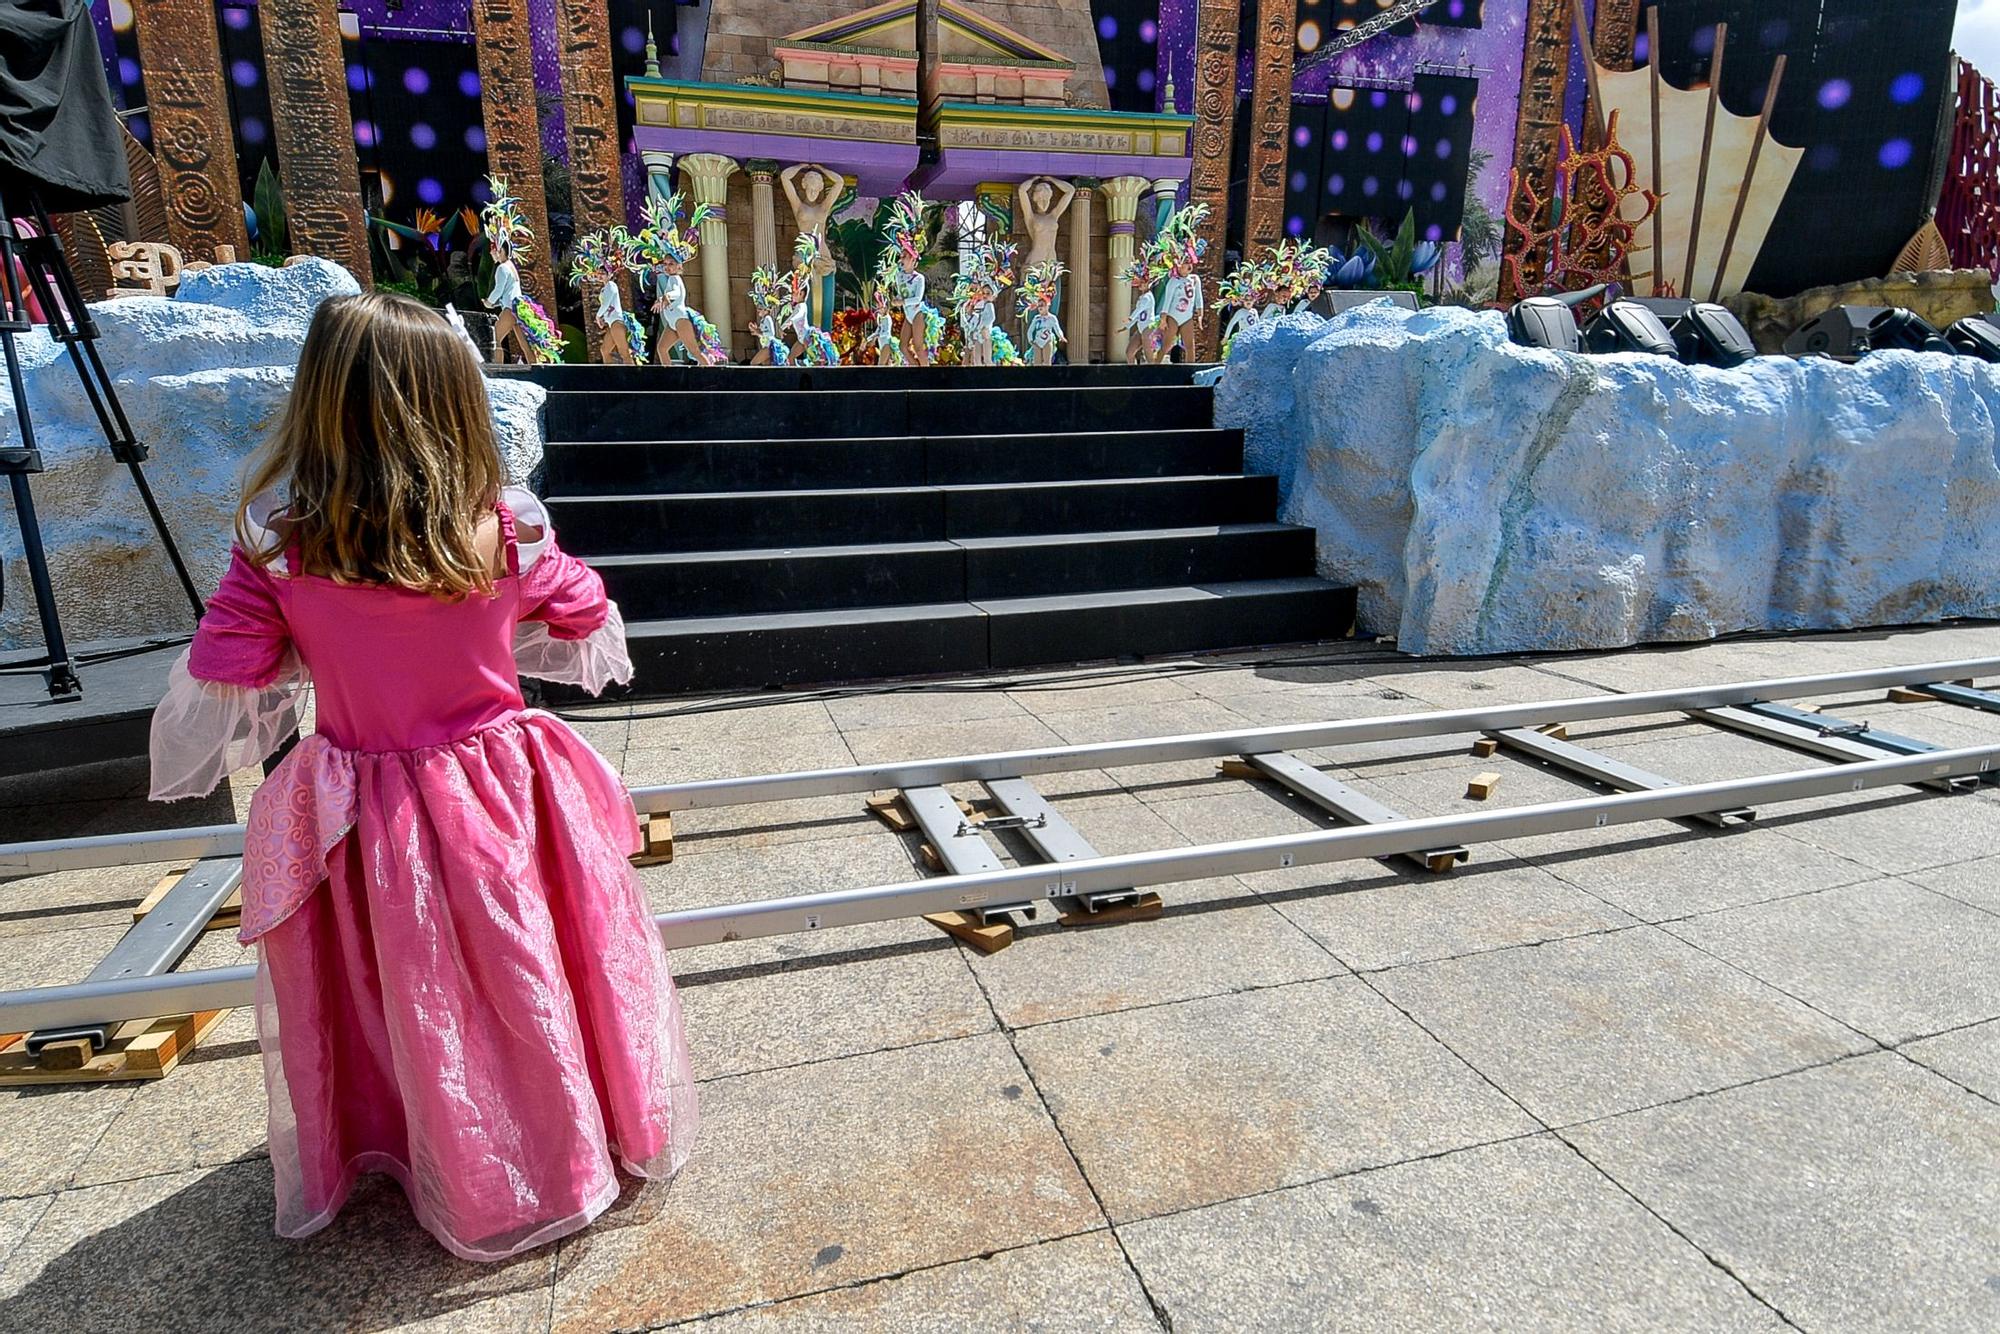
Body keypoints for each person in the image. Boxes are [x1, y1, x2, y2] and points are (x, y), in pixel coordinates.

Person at [147, 292, 697, 1261]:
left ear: (318, 397)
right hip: (498, 792)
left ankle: (419, 1139)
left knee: (400, 982)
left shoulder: (279, 541)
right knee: (526, 967)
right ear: (453, 396)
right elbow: (584, 616)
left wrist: (319, 642)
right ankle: (564, 1140)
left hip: (362, 802)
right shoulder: (503, 529)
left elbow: (225, 672)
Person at [478, 176, 565, 365]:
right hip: (518, 306)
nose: (492, 252)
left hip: (511, 308)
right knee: (524, 343)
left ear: (501, 249)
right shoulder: (511, 266)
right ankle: (535, 368)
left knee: (495, 338)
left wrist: (489, 302)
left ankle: (498, 370)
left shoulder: (503, 268)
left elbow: (499, 289)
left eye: (495, 249)